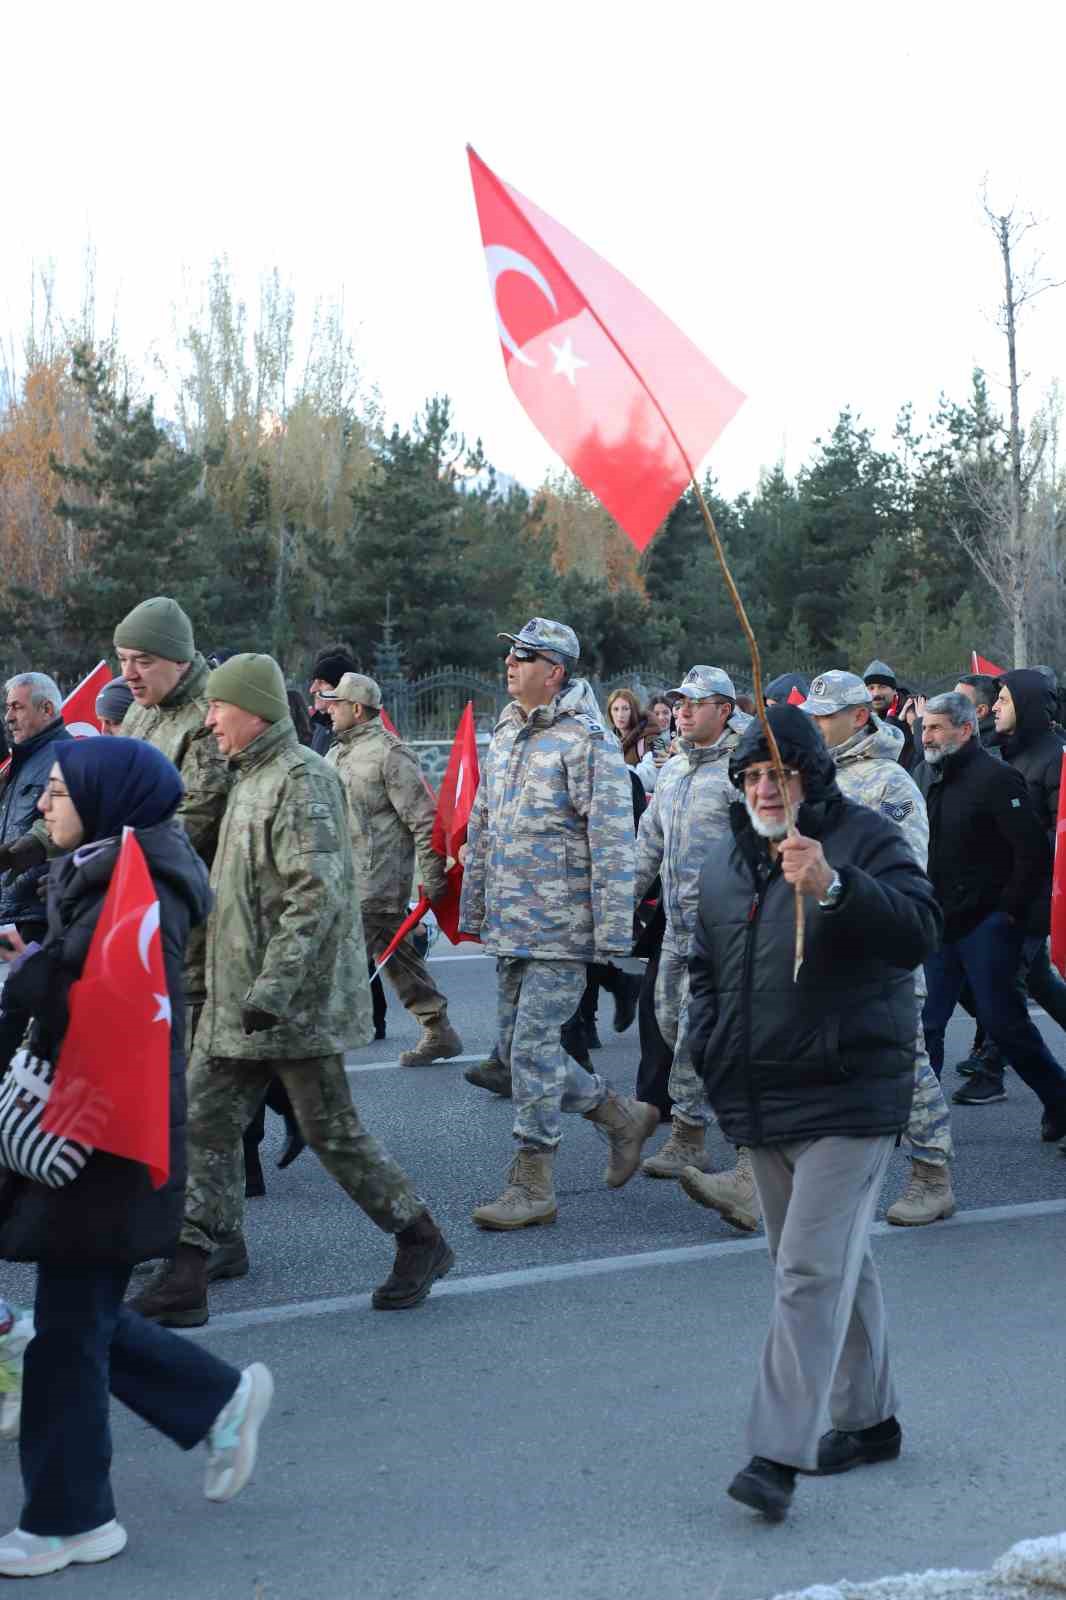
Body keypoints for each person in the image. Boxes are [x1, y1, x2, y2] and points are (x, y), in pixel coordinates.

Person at [0, 738, 272, 1577]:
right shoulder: (104, 860)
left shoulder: (141, 879)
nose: (43, 803)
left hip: (106, 1134)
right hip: (99, 1124)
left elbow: (107, 1003)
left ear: (103, 797)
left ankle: (72, 1517)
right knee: (76, 1319)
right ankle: (217, 1399)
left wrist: (26, 973)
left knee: (65, 1340)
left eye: (55, 790)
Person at [130, 654, 453, 1326]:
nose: (209, 719)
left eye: (219, 707)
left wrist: (273, 987)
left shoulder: (302, 779)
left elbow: (315, 892)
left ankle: (420, 1240)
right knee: (203, 1124)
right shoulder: (249, 775)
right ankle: (191, 1269)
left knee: (333, 1133)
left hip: (288, 1004)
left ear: (254, 709)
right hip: (237, 999)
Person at [687, 706, 942, 1521]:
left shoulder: (863, 839)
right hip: (762, 1096)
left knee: (806, 1272)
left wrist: (834, 885)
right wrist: (708, 1048)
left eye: (781, 774)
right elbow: (704, 970)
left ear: (811, 776)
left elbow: (918, 932)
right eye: (752, 775)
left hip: (848, 1091)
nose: (765, 788)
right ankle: (868, 1421)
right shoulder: (727, 859)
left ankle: (774, 1455)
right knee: (830, 1265)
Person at [460, 618, 658, 1229]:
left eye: (524, 657)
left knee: (534, 1047)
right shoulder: (508, 728)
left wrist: (609, 934)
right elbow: (484, 821)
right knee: (518, 1052)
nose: (510, 665)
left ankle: (533, 1180)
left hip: (560, 925)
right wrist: (475, 904)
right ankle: (619, 1117)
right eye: (510, 655)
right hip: (513, 922)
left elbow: (611, 840)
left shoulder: (586, 741)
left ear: (556, 671)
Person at [794, 671, 955, 1226]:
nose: (815, 726)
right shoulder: (813, 782)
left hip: (878, 949)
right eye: (810, 716)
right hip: (818, 952)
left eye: (824, 716)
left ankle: (932, 1174)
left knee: (903, 1062)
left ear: (859, 716)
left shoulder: (890, 783)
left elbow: (903, 876)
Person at [917, 692, 1066, 1141]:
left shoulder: (998, 779)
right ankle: (924, 1125)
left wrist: (1006, 916)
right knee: (927, 1025)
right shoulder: (931, 775)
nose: (927, 735)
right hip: (942, 925)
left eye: (936, 727)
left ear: (965, 730)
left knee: (1007, 1027)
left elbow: (1031, 854)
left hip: (987, 926)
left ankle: (1059, 1099)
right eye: (924, 727)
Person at [633, 666, 751, 1184]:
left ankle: (699, 1138)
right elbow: (649, 845)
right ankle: (695, 1129)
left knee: (709, 1036)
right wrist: (620, 904)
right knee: (671, 1026)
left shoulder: (744, 769)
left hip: (728, 934)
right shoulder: (675, 768)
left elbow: (763, 848)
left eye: (694, 704)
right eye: (678, 702)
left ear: (723, 710)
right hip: (676, 930)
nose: (681, 711)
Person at [320, 671, 462, 1067]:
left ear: (357, 708)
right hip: (344, 877)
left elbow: (424, 820)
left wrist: (432, 877)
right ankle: (439, 1029)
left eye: (335, 703)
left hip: (377, 880)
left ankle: (319, 1049)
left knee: (340, 963)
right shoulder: (336, 753)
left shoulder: (390, 754)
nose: (328, 709)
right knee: (398, 957)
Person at [0, 674, 73, 945]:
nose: (8, 716)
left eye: (17, 707)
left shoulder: (64, 757)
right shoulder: (22, 760)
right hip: (24, 910)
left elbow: (71, 830)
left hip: (48, 912)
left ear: (47, 710)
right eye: (7, 707)